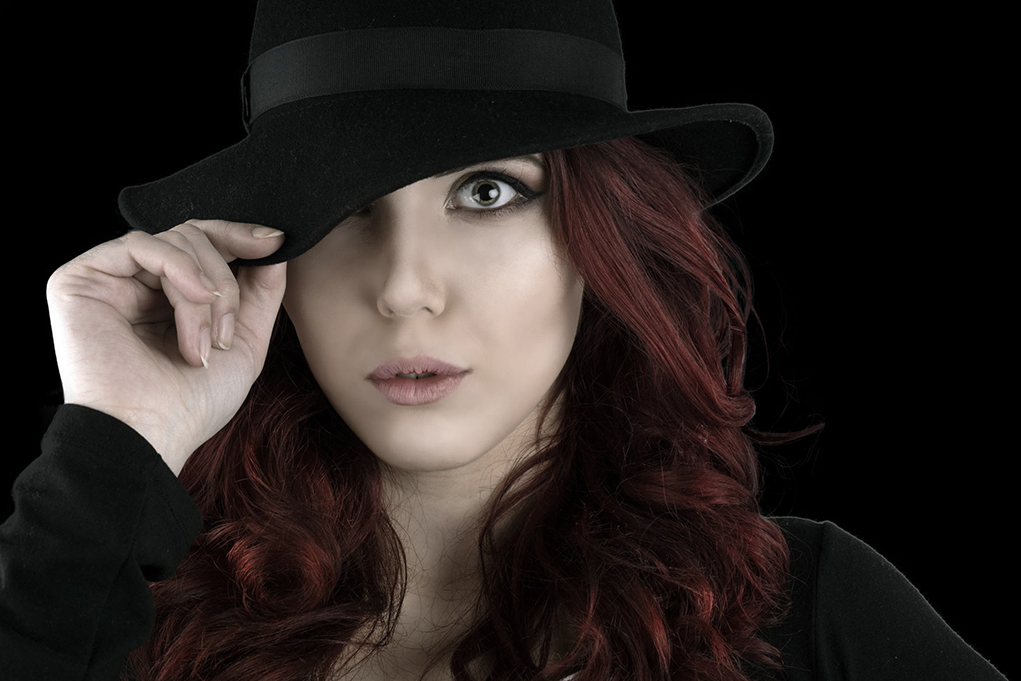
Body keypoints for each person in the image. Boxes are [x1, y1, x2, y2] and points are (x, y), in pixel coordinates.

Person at [1, 1, 1009, 680]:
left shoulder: (805, 620)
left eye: (486, 192)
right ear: (269, 253)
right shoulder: (111, 614)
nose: (405, 288)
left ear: (598, 241)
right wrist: (113, 439)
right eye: (343, 205)